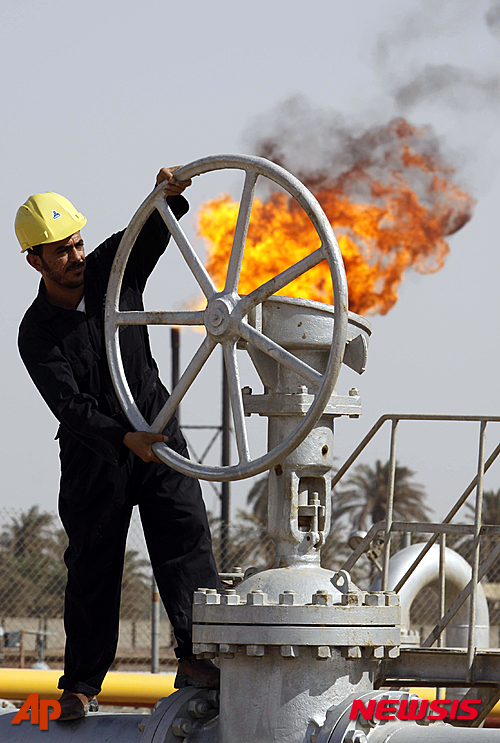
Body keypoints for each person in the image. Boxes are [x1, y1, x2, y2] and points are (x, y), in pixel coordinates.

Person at [16, 168, 220, 721]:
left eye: (78, 242)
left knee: (186, 540)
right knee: (93, 566)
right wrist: (123, 437)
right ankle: (81, 685)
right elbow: (70, 406)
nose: (76, 257)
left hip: (158, 430)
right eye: (60, 251)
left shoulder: (111, 267)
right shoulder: (35, 331)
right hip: (96, 455)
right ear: (35, 261)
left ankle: (198, 657)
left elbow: (149, 228)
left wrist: (167, 193)